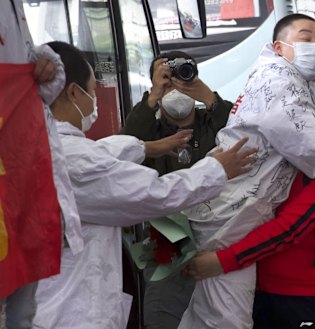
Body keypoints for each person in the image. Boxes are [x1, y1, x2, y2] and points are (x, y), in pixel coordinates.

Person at [31, 41, 256, 328]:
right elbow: (155, 194)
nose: (94, 101)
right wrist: (217, 169)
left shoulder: (42, 146)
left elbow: (102, 154)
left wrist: (146, 148)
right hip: (70, 310)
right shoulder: (75, 158)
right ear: (74, 92)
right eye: (93, 91)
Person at [177, 13, 315, 329]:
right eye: (306, 36)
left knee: (212, 316)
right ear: (278, 46)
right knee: (223, 319)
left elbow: (291, 226)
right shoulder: (279, 81)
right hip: (231, 213)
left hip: (283, 269)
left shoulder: (296, 83)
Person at [121, 50, 233, 329]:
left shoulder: (213, 121)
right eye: (166, 83)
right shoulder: (150, 131)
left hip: (220, 243)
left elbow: (246, 130)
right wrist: (152, 98)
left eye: (182, 80)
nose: (175, 89)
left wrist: (208, 96)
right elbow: (122, 151)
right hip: (167, 246)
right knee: (162, 320)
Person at [0, 1, 83, 328]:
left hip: (20, 172)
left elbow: (31, 86)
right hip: (14, 168)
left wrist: (45, 67)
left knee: (23, 306)